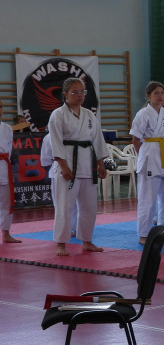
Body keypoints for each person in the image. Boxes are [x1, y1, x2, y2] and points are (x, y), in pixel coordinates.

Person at [48, 77, 108, 255]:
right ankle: (61, 243)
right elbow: (55, 141)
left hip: (88, 166)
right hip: (68, 164)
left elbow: (97, 140)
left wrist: (101, 163)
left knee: (89, 206)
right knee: (65, 206)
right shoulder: (58, 114)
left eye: (82, 91)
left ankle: (87, 241)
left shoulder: (89, 115)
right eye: (75, 92)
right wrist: (63, 165)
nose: (80, 95)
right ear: (65, 94)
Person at [131, 81, 164, 244]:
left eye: (162, 93)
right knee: (147, 200)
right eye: (156, 93)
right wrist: (142, 157)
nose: (160, 96)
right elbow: (136, 139)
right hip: (150, 157)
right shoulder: (143, 114)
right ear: (148, 96)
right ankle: (144, 234)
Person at [0, 100, 21, 243]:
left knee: (6, 202)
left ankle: (6, 233)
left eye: (1, 107)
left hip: (3, 166)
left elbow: (9, 149)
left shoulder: (7, 128)